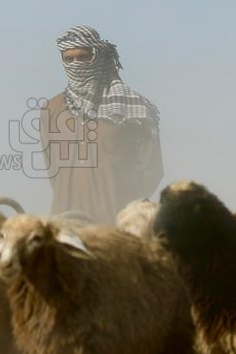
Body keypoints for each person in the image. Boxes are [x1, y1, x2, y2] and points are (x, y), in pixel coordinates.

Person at [40, 25, 162, 223]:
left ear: (99, 57)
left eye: (83, 57)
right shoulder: (52, 110)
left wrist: (124, 203)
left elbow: (152, 169)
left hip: (116, 224)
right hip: (65, 223)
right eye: (68, 59)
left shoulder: (134, 109)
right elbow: (53, 169)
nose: (76, 63)